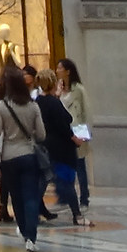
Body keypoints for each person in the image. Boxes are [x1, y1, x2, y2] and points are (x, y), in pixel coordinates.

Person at [0, 64, 48, 252]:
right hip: (28, 155)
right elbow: (42, 135)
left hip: (8, 158)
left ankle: (23, 231)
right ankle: (32, 237)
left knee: (16, 197)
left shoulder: (2, 106)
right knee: (31, 197)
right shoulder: (33, 106)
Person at [38, 72, 84, 227]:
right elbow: (64, 123)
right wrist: (75, 138)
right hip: (60, 148)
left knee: (42, 181)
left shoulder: (38, 102)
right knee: (65, 181)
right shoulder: (53, 103)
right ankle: (77, 214)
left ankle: (34, 212)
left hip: (44, 147)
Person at [56, 58, 92, 210]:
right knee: (65, 165)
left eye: (60, 68)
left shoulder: (78, 90)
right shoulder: (58, 89)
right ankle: (66, 196)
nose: (57, 70)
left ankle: (84, 198)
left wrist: (85, 132)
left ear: (68, 71)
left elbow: (86, 111)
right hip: (63, 131)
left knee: (80, 165)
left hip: (77, 130)